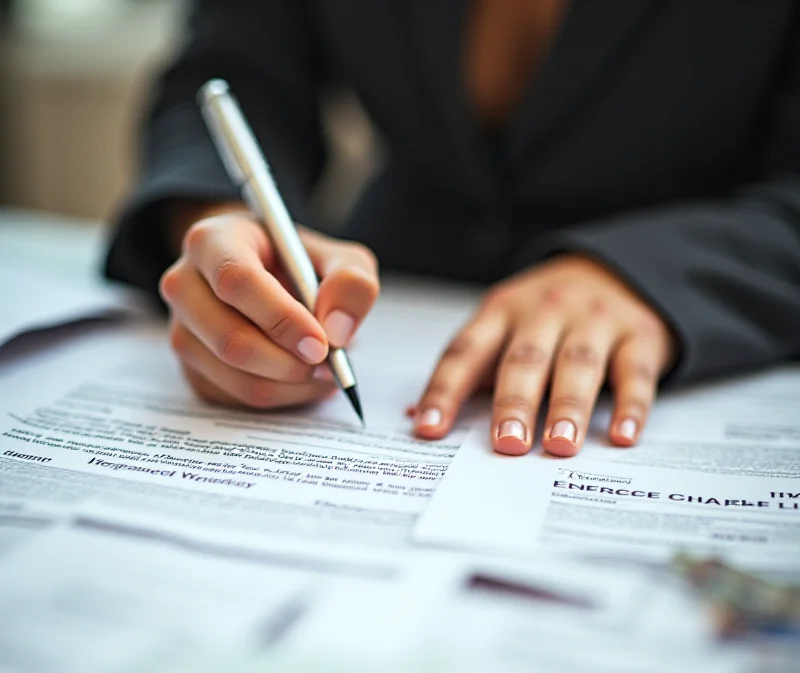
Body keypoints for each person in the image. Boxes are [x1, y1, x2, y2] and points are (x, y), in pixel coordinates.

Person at [105, 0, 800, 458]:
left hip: (714, 325)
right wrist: (219, 223)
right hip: (392, 286)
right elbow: (230, 73)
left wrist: (662, 274)